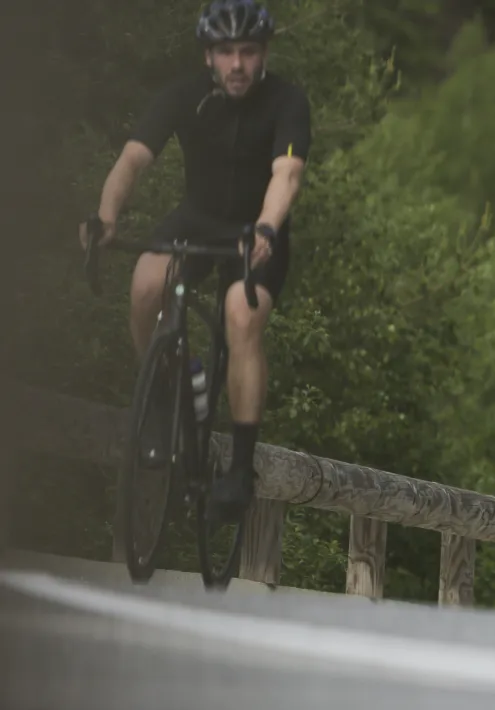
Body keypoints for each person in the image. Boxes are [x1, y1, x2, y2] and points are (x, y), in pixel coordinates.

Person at [77, 0, 311, 519]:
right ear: (208, 55)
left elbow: (287, 174)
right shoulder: (184, 94)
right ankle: (168, 388)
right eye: (225, 52)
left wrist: (268, 228)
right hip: (196, 220)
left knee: (241, 315)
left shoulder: (286, 100)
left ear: (264, 53)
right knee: (144, 287)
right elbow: (134, 157)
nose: (236, 65)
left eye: (247, 52)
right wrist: (105, 216)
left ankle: (239, 469)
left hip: (257, 233)